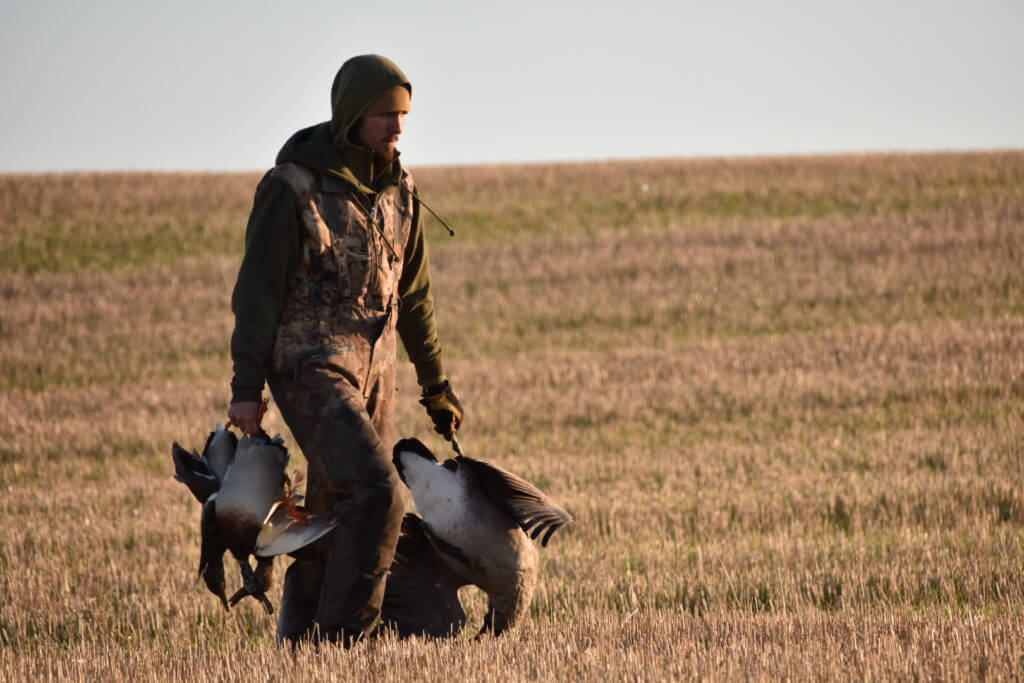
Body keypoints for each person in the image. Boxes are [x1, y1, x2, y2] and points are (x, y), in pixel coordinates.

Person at [226, 54, 463, 646]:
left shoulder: (402, 193)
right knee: (378, 496)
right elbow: (256, 294)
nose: (398, 126)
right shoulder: (292, 188)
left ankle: (301, 644)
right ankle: (347, 645)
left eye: (404, 114)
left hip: (376, 373)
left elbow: (415, 299)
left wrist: (435, 387)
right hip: (310, 364)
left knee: (335, 513)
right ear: (353, 114)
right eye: (386, 113)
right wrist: (246, 391)